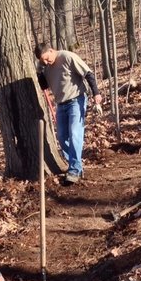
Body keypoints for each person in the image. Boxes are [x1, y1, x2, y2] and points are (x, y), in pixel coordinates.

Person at [35, 43, 102, 185]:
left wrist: (96, 93)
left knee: (75, 133)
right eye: (43, 61)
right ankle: (75, 164)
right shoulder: (45, 67)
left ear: (51, 50)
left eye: (47, 59)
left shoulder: (67, 57)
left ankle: (74, 170)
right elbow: (44, 86)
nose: (46, 62)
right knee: (61, 136)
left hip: (76, 100)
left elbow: (88, 73)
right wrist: (40, 71)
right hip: (61, 104)